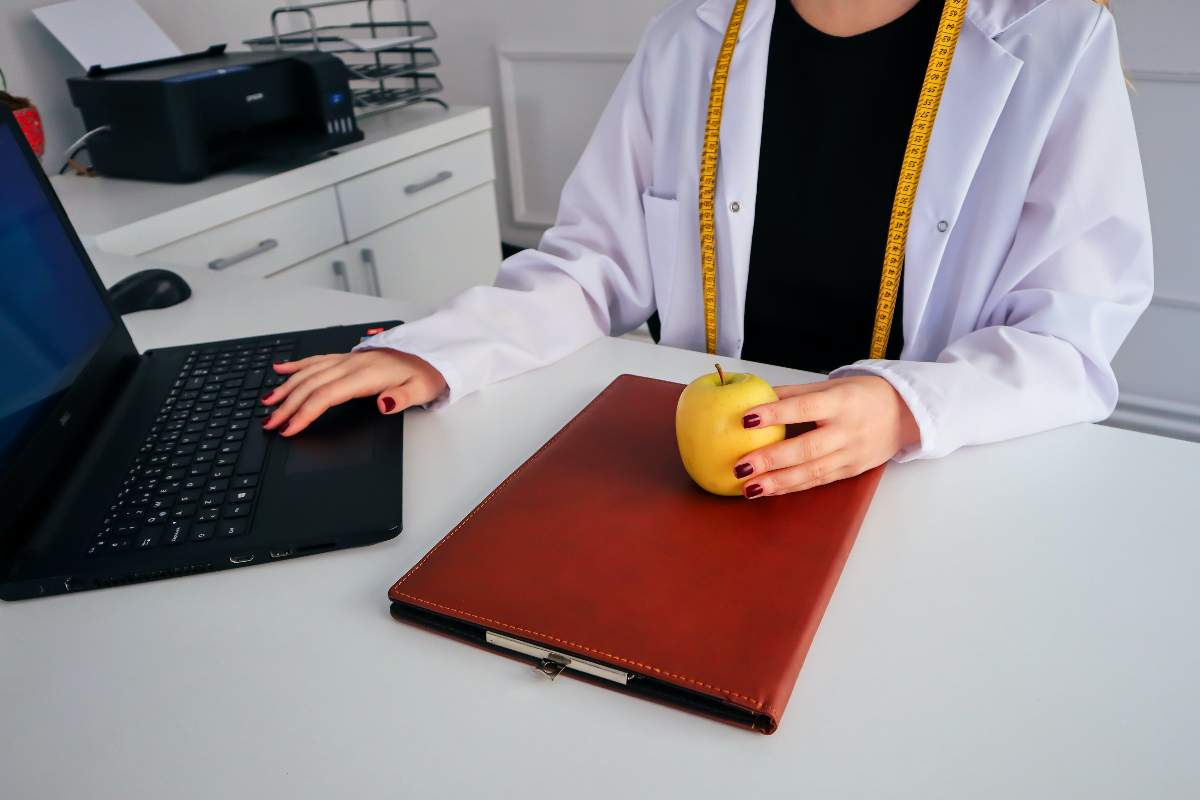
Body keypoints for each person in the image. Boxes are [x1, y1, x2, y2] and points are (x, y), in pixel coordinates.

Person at [262, 0, 1152, 499]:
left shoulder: (1056, 34)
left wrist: (901, 408)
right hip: (699, 476)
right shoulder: (692, 35)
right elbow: (592, 263)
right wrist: (438, 350)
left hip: (932, 478)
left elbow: (1069, 337)